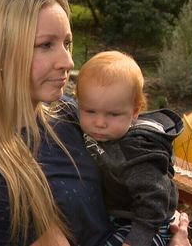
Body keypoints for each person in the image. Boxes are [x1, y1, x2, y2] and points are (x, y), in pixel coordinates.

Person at [0, 0, 191, 246]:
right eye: (46, 45)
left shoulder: (67, 113)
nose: (68, 61)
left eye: (67, 43)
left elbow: (134, 165)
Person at [75, 51, 184, 246]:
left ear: (135, 112)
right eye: (90, 111)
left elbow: (155, 200)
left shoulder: (137, 151)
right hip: (119, 218)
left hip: (148, 226)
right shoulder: (105, 133)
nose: (99, 122)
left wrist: (135, 241)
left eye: (113, 114)